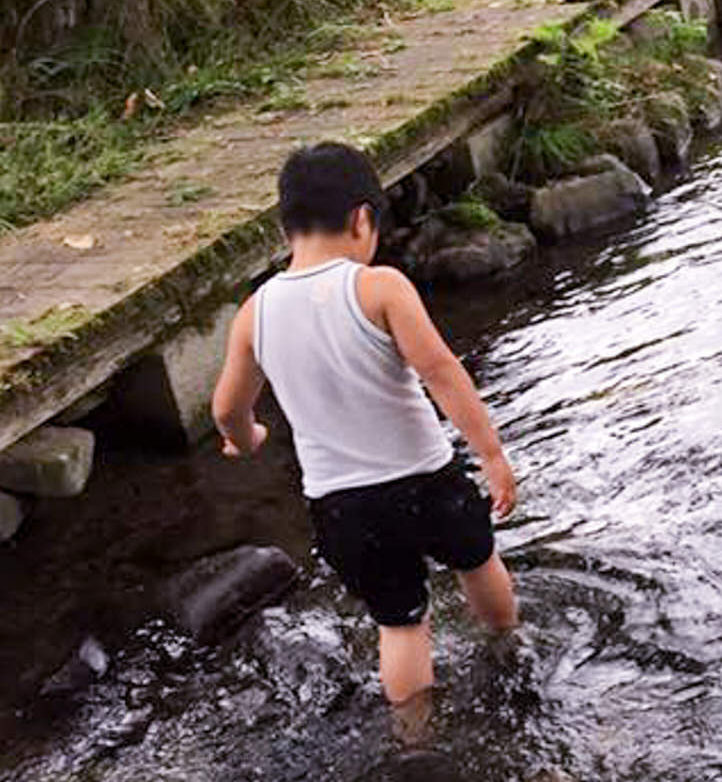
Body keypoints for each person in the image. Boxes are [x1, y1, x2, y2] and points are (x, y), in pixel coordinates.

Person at [212, 141, 519, 716]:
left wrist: (245, 436)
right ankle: (506, 643)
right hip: (427, 481)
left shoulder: (255, 311)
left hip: (343, 504)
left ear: (285, 230)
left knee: (400, 625)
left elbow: (227, 406)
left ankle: (414, 737)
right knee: (477, 561)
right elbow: (442, 374)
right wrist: (492, 453)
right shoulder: (379, 287)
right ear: (362, 219)